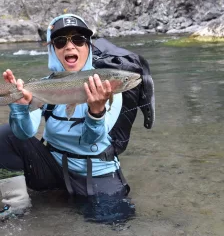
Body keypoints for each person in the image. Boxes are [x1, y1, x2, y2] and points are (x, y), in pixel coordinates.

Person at [0, 14, 131, 221]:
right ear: (53, 50)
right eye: (61, 41)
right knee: (5, 134)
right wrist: (19, 107)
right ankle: (16, 206)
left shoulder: (108, 88)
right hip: (53, 168)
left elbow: (91, 140)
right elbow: (23, 133)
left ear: (88, 46)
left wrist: (96, 112)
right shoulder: (46, 85)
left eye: (78, 40)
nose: (70, 47)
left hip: (95, 173)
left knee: (115, 222)